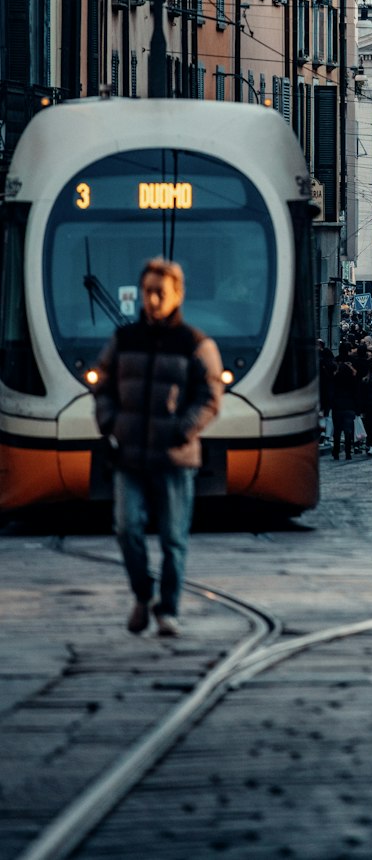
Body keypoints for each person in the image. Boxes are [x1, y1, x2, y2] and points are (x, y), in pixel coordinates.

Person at [93, 258, 222, 637]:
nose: (151, 300)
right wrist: (111, 423)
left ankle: (168, 608)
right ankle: (142, 592)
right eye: (147, 292)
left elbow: (210, 395)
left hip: (174, 456)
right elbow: (102, 384)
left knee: (172, 538)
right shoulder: (124, 339)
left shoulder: (196, 344)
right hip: (130, 454)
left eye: (159, 293)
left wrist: (183, 429)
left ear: (177, 295)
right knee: (126, 527)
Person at [330, 354, 360, 460]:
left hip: (337, 408)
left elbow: (331, 393)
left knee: (337, 431)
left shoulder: (335, 380)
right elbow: (356, 394)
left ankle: (336, 451)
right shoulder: (352, 381)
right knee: (348, 431)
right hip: (349, 407)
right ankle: (348, 452)